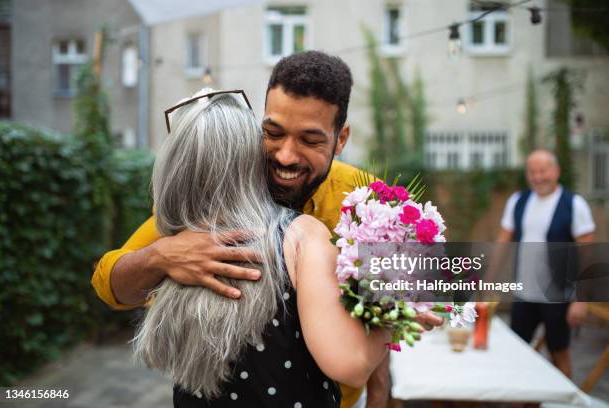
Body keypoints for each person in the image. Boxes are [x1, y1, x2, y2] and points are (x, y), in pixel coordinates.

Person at [92, 51, 443, 407]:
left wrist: (380, 394)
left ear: (340, 139)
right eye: (272, 133)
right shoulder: (219, 192)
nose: (286, 156)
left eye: (310, 140)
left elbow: (383, 304)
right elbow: (108, 286)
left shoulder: (367, 202)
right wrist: (160, 257)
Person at [133, 88, 391, 407]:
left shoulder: (174, 246)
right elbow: (350, 366)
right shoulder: (300, 237)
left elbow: (111, 284)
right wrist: (394, 310)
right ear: (252, 156)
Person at [496, 149, 595, 377]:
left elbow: (587, 254)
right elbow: (502, 244)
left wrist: (581, 300)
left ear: (556, 171)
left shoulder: (574, 204)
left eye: (543, 171)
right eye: (532, 172)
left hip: (558, 297)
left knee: (559, 352)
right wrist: (484, 282)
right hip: (524, 295)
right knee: (517, 352)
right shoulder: (518, 201)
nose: (538, 177)